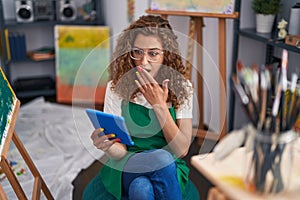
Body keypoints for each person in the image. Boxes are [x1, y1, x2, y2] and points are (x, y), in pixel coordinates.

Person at [83, 15, 199, 200]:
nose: (144, 62)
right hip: (128, 164)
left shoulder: (183, 88)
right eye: (137, 52)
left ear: (166, 55)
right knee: (161, 159)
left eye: (153, 53)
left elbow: (181, 150)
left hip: (170, 167)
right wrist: (107, 146)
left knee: (142, 188)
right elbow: (120, 152)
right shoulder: (116, 88)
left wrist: (159, 105)